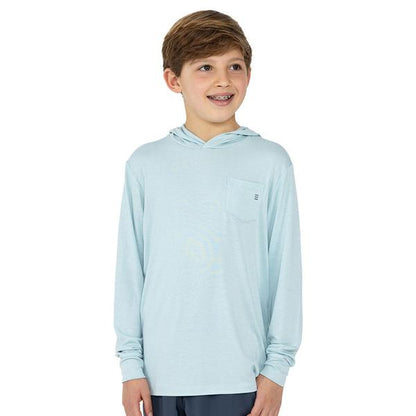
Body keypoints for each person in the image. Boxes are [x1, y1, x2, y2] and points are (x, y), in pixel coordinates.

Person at [113, 9, 303, 416]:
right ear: (173, 80)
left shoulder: (270, 162)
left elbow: (285, 271)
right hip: (159, 380)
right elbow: (131, 270)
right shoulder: (145, 164)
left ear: (248, 74)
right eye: (205, 67)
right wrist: (131, 365)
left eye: (235, 66)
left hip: (240, 378)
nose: (223, 80)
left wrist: (276, 371)